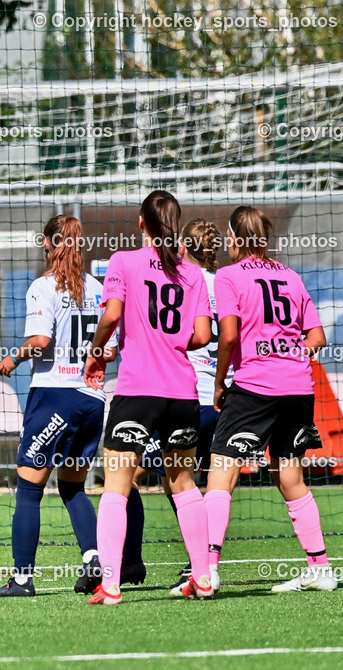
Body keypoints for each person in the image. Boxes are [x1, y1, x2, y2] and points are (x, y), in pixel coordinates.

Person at [83, 190, 213, 604]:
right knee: (184, 484)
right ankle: (203, 577)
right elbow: (203, 336)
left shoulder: (124, 261)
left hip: (137, 390)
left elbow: (112, 314)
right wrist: (170, 342)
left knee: (115, 485)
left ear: (141, 223)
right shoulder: (192, 273)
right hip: (183, 393)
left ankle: (110, 584)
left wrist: (96, 350)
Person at [204, 207, 335, 593]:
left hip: (255, 386)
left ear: (234, 239)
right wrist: (289, 353)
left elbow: (228, 336)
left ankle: (206, 569)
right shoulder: (291, 277)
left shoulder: (228, 276)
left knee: (221, 470)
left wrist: (219, 383)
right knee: (290, 476)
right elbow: (317, 337)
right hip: (298, 388)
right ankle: (321, 568)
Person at [0, 215, 118, 598]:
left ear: (48, 244)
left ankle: (22, 580)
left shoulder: (43, 287)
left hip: (54, 396)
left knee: (29, 489)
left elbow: (41, 340)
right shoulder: (98, 288)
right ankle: (93, 560)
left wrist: (13, 358)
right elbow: (111, 349)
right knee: (73, 487)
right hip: (91, 399)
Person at [121, 218, 231, 595]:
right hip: (224, 398)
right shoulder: (226, 284)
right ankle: (200, 559)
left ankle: (140, 562)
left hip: (186, 394)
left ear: (185, 247)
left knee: (135, 474)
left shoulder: (183, 281)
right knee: (196, 481)